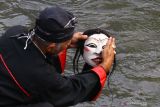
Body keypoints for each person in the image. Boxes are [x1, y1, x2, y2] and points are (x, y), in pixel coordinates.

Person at [0, 6, 116, 107]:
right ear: (51, 47)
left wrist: (63, 44)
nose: (70, 42)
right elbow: (72, 91)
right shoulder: (42, 75)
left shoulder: (15, 34)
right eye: (67, 41)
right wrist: (103, 67)